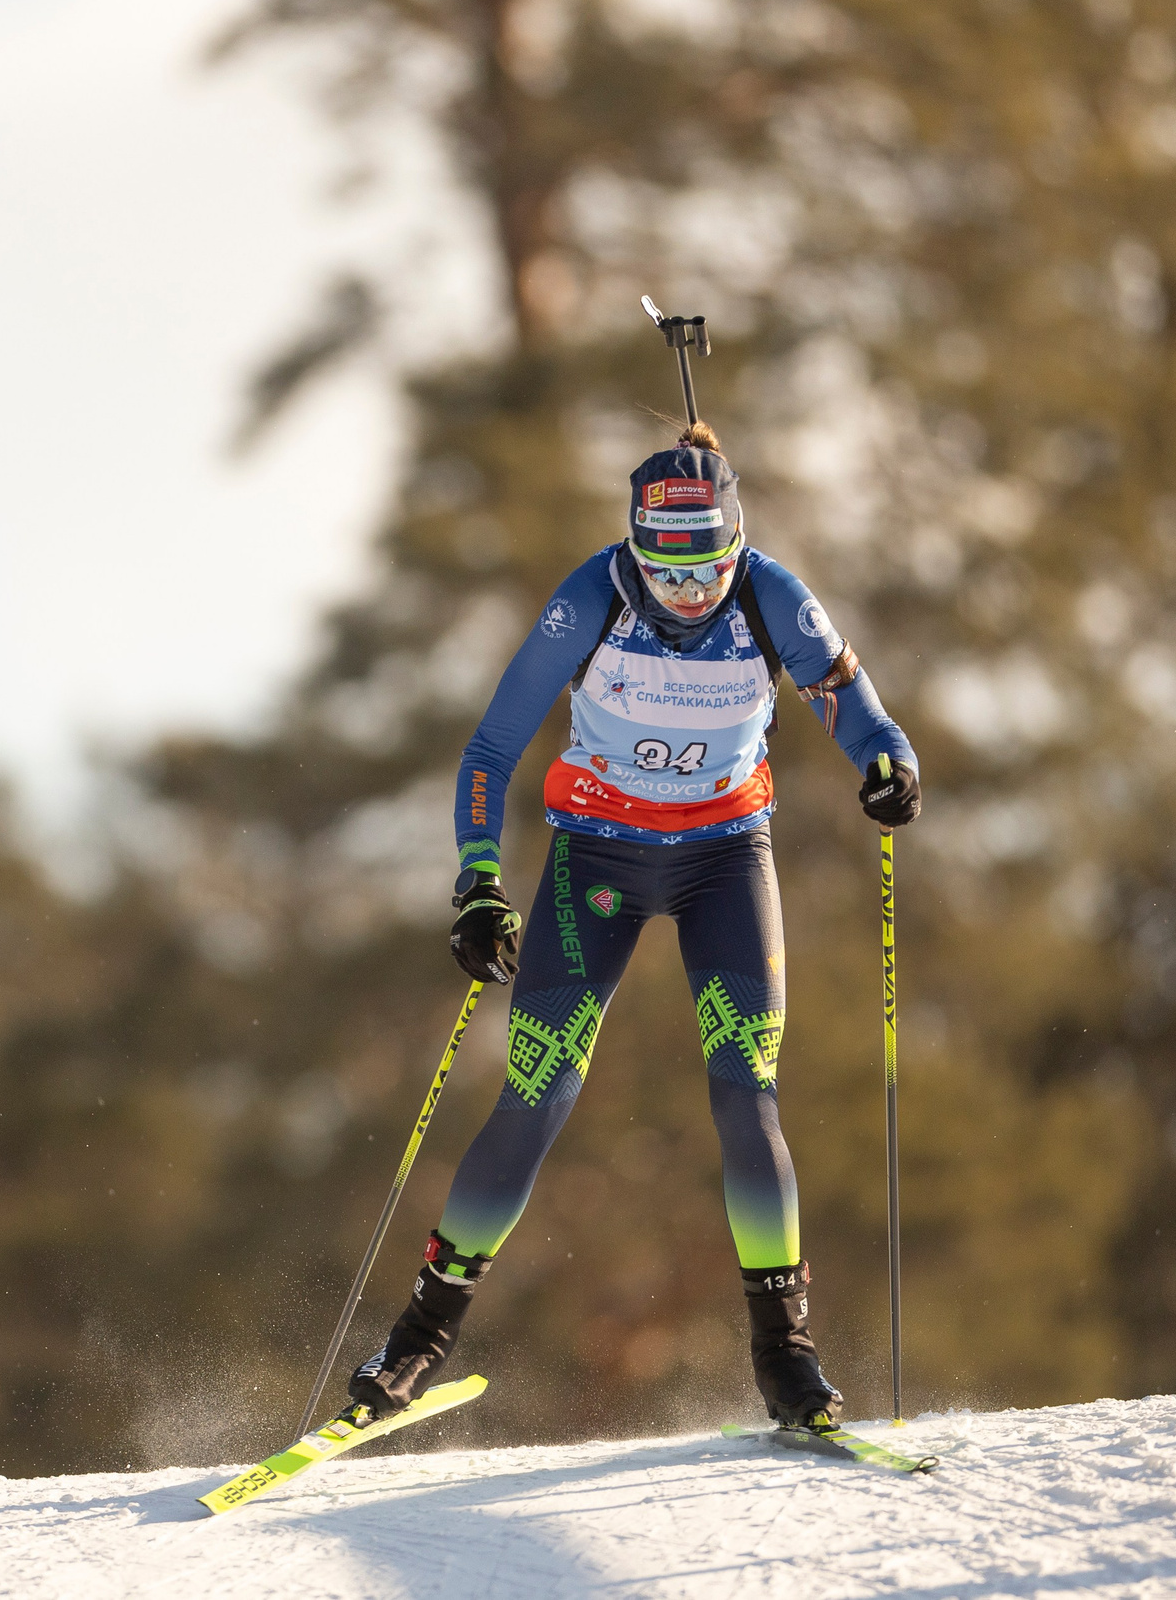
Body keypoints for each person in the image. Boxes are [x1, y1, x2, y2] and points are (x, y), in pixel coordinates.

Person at [347, 421, 920, 1432]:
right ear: (634, 549)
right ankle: (420, 1336)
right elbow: (491, 749)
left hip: (723, 860)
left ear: (736, 545)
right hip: (597, 860)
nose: (690, 593)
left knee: (746, 1093)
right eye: (667, 571)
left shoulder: (772, 596)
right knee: (536, 1090)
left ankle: (786, 1353)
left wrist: (889, 764)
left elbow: (859, 712)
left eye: (708, 570)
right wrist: (477, 881)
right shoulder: (589, 599)